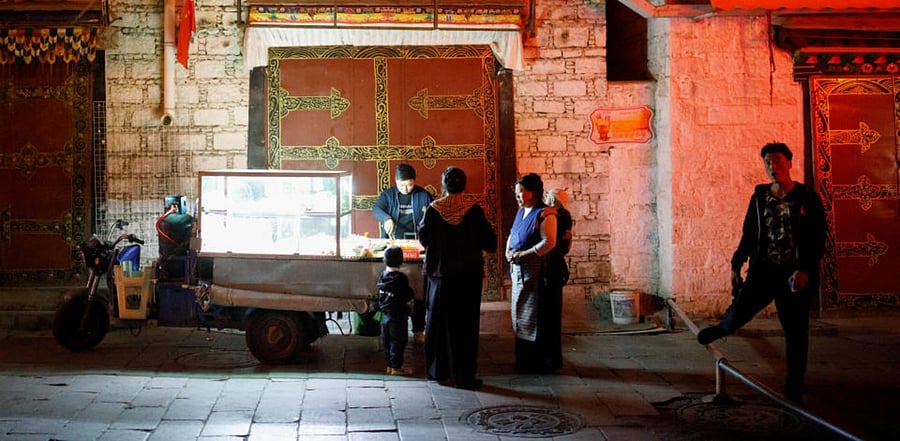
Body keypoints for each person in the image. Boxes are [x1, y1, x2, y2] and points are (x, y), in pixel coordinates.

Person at [697, 142, 826, 405]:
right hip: (765, 270)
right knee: (741, 309)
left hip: (794, 276)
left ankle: (794, 386)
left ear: (789, 163)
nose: (772, 167)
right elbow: (749, 235)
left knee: (796, 331)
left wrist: (805, 269)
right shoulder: (759, 198)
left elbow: (817, 239)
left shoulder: (808, 199)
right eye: (768, 162)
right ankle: (723, 327)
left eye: (777, 161)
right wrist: (736, 265)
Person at [417, 166, 497, 389]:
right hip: (468, 278)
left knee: (438, 324)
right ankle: (463, 376)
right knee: (465, 327)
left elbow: (424, 239)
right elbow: (490, 242)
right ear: (464, 185)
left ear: (443, 185)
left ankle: (438, 371)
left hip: (439, 278)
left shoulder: (433, 210)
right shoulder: (474, 211)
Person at [372, 163, 432, 345]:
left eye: (410, 185)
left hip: (417, 247)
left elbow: (431, 214)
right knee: (395, 292)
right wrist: (386, 218)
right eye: (402, 185)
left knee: (418, 291)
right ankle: (393, 328)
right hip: (394, 249)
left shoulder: (423, 195)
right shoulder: (388, 195)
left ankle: (419, 329)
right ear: (396, 181)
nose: (406, 189)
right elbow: (376, 209)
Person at [506, 173, 558, 373]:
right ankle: (522, 356)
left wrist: (524, 255)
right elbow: (512, 234)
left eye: (521, 192)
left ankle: (536, 359)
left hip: (535, 271)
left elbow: (548, 242)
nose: (518, 196)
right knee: (518, 312)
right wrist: (509, 253)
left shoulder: (546, 214)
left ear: (533, 193)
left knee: (532, 315)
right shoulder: (521, 212)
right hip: (518, 269)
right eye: (517, 193)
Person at [540, 187, 573, 371]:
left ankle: (551, 359)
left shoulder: (561, 216)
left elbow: (563, 241)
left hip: (553, 265)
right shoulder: (552, 214)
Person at [376, 246, 415, 376]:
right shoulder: (401, 278)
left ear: (384, 260)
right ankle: (397, 367)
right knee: (398, 341)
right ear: (401, 261)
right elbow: (407, 295)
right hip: (398, 316)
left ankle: (389, 365)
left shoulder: (383, 275)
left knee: (387, 341)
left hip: (385, 315)